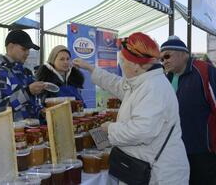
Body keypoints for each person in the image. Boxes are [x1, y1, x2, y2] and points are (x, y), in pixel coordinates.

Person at [73, 32, 189, 184]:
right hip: (147, 166)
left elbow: (141, 131)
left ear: (135, 65)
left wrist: (110, 128)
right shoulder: (142, 80)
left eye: (122, 61)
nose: (120, 65)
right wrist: (90, 68)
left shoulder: (154, 88)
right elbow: (117, 84)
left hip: (160, 174)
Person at [160, 35, 216, 185]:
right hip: (175, 150)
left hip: (202, 151)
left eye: (167, 55)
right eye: (162, 59)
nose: (164, 61)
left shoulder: (204, 71)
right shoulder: (166, 78)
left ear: (183, 54)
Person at [0, 30, 45, 121]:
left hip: (31, 131)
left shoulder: (26, 72)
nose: (28, 53)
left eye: (28, 49)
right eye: (24, 49)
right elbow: (1, 109)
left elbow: (32, 103)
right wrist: (27, 92)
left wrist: (41, 111)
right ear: (10, 47)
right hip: (11, 132)